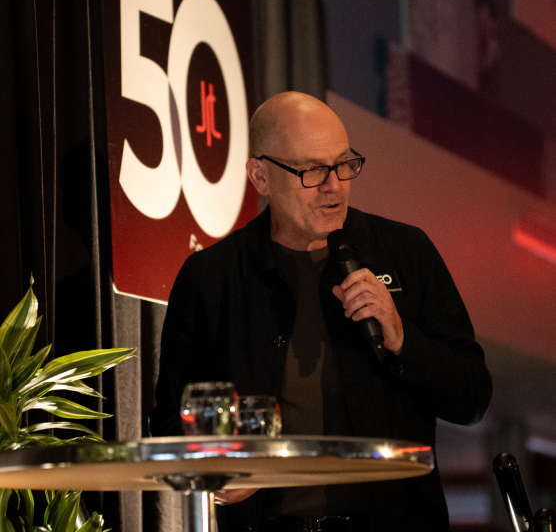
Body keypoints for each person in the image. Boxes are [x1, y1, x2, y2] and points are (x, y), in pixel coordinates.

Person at [150, 91, 492, 532]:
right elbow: (169, 424)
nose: (334, 186)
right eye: (312, 171)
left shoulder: (404, 252)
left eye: (344, 165)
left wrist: (403, 340)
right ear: (261, 177)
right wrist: (220, 469)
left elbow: (473, 398)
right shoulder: (212, 277)